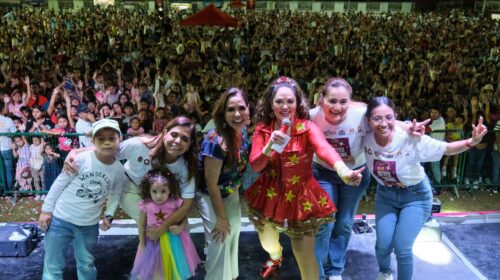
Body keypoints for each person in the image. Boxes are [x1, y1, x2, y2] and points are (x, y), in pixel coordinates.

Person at [244, 76, 364, 279]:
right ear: (270, 103)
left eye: (290, 101)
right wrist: (270, 146)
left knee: (305, 254)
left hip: (301, 196)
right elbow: (256, 165)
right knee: (268, 242)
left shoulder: (307, 127)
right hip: (269, 194)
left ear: (297, 103)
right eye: (279, 101)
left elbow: (324, 149)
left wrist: (342, 170)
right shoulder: (262, 129)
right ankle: (275, 256)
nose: (285, 106)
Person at [363, 96, 487, 280]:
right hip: (386, 195)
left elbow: (446, 148)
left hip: (415, 197)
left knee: (402, 247)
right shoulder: (364, 137)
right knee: (382, 245)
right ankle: (385, 272)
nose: (383, 123)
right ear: (368, 121)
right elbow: (351, 110)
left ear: (395, 116)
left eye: (389, 117)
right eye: (377, 118)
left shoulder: (411, 138)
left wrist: (472, 142)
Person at [65, 116, 198, 241]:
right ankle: (149, 257)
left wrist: (182, 221)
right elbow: (106, 150)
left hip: (159, 195)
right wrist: (75, 152)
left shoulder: (185, 167)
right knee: (151, 222)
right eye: (174, 135)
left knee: (178, 227)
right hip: (130, 189)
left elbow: (186, 204)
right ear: (165, 132)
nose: (177, 141)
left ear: (190, 144)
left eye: (185, 139)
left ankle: (170, 262)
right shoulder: (138, 145)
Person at [38, 119, 125, 280]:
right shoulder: (80, 159)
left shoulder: (119, 169)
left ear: (120, 140)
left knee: (86, 264)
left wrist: (109, 214)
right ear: (93, 141)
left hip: (89, 225)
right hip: (61, 220)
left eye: (112, 138)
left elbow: (116, 193)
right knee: (53, 267)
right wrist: (46, 210)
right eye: (101, 139)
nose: (106, 143)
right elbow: (58, 184)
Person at [310, 78, 372, 280]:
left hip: (356, 174)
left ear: (351, 102)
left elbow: (388, 121)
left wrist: (407, 127)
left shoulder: (362, 115)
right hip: (324, 173)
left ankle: (335, 269)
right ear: (321, 100)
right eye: (332, 101)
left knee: (344, 223)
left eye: (343, 102)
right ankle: (317, 272)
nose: (338, 107)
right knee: (324, 224)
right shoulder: (311, 117)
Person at [195, 87, 251, 280]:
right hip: (210, 194)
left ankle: (230, 276)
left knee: (233, 232)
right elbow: (211, 184)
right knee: (219, 237)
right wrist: (221, 217)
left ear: (248, 109)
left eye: (241, 108)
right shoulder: (215, 140)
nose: (237, 114)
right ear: (222, 113)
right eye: (230, 109)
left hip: (231, 191)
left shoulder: (242, 132)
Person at [132, 169, 201, 280]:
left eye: (163, 191)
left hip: (173, 241)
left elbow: (183, 218)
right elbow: (141, 225)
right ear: (149, 190)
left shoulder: (175, 202)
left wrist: (180, 227)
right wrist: (143, 244)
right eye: (154, 191)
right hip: (152, 243)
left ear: (170, 190)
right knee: (156, 272)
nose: (159, 196)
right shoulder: (146, 204)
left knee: (173, 268)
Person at [0, 101, 16, 194]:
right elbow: (14, 132)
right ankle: (8, 190)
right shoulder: (8, 120)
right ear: (2, 109)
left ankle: (2, 190)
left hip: (5, 147)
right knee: (8, 170)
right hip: (6, 147)